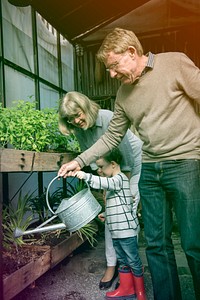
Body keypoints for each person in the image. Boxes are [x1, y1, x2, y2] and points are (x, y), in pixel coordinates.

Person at [58, 28, 200, 300]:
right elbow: (112, 135)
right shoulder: (123, 94)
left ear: (131, 53)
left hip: (185, 163)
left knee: (194, 243)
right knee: (156, 245)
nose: (111, 74)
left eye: (113, 66)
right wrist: (79, 160)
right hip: (149, 169)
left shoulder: (175, 63)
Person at [58, 91, 142, 290]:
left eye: (78, 114)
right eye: (71, 119)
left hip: (133, 165)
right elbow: (93, 160)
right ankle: (112, 266)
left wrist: (122, 190)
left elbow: (127, 159)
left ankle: (128, 268)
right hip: (109, 170)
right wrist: (105, 189)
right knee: (111, 217)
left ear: (86, 107)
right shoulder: (79, 129)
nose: (77, 121)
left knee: (126, 217)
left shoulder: (107, 118)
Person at [71, 148, 146, 300]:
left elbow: (106, 182)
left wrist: (85, 175)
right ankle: (126, 288)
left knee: (133, 261)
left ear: (113, 164)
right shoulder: (113, 186)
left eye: (100, 167)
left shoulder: (119, 179)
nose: (99, 170)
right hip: (117, 232)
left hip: (126, 231)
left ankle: (140, 292)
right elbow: (120, 205)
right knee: (123, 261)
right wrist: (106, 214)